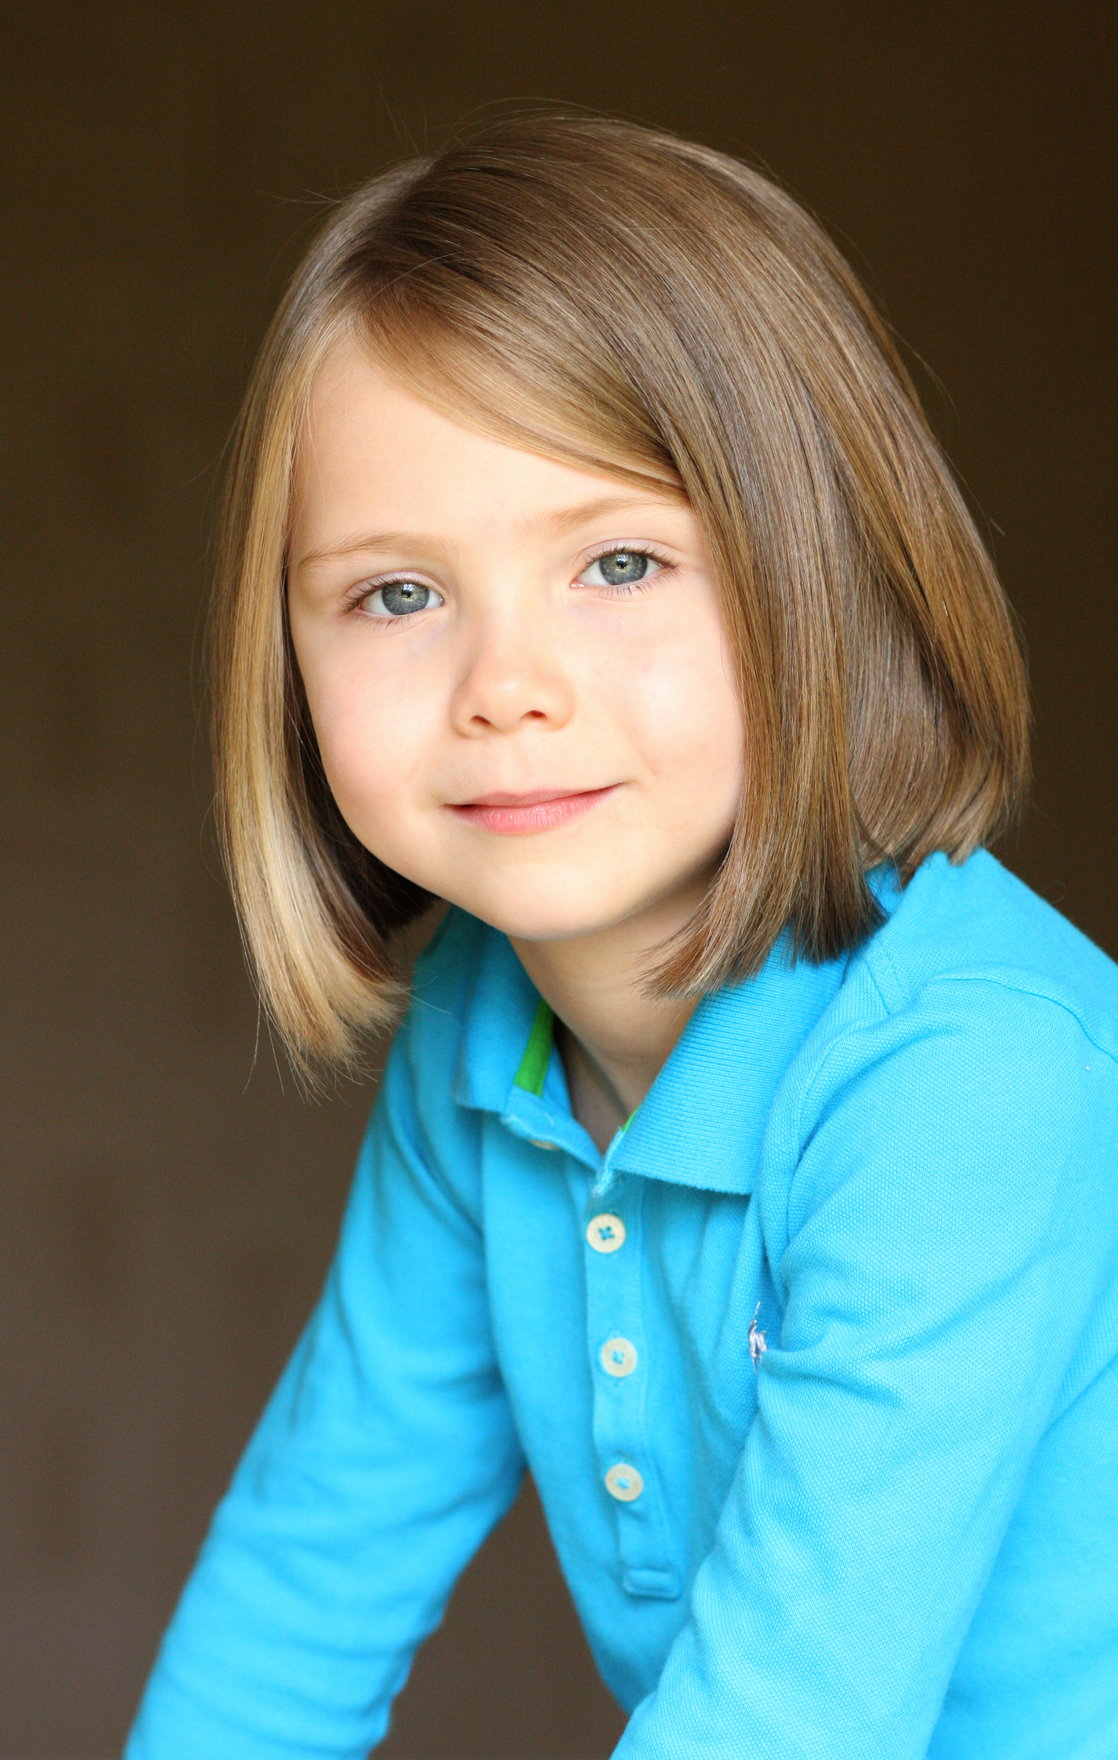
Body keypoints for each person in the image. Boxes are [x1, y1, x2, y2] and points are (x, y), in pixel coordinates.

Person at [124, 113, 1118, 1759]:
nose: (506, 686)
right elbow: (302, 1591)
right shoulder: (481, 1036)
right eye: (395, 594)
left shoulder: (969, 1078)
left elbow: (785, 1721)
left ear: (825, 574)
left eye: (620, 561)